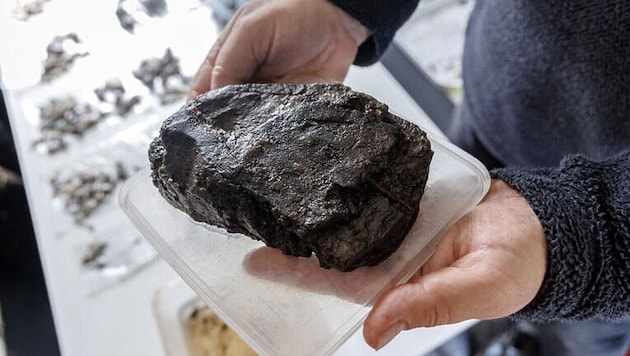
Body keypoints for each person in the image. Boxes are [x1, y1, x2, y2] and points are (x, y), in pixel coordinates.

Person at [187, 0, 630, 354]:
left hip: (605, 235)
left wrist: (594, 235)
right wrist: (350, 9)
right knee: (459, 215)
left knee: (583, 332)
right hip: (499, 94)